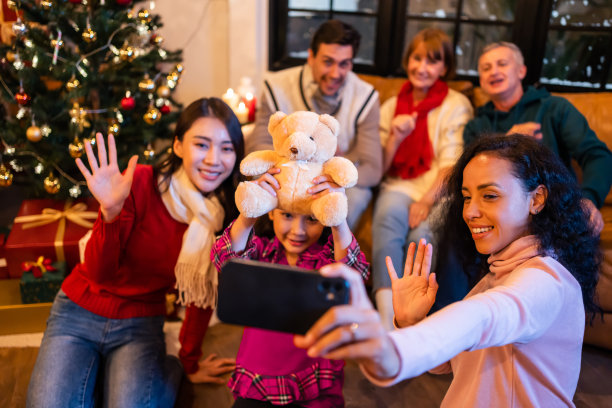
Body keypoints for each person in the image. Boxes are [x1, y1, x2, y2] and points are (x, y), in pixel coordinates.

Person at [295, 134, 601, 407]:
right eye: (467, 196)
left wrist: (389, 348)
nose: (470, 211)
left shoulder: (546, 279)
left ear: (537, 199)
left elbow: (486, 316)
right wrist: (411, 321)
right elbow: (454, 363)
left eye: (490, 195)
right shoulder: (499, 272)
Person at [27, 98, 242, 407]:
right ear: (178, 146)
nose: (213, 159)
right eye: (202, 144)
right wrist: (111, 213)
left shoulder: (221, 216)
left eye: (226, 148)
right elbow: (101, 273)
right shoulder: (139, 183)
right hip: (79, 311)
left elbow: (201, 293)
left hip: (140, 324)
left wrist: (188, 360)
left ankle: (155, 370)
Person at [210, 168, 369, 407]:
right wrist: (249, 212)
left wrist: (338, 217)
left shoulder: (325, 262)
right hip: (258, 377)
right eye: (287, 215)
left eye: (311, 219)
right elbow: (226, 258)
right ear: (271, 212)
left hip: (312, 379)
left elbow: (355, 274)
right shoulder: (262, 253)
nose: (298, 231)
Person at [372, 28, 473, 330]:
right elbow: (379, 169)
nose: (422, 67)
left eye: (433, 61)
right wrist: (394, 138)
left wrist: (427, 200)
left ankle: (411, 320)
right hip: (399, 184)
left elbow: (452, 165)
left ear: (444, 68)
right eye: (417, 58)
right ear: (408, 61)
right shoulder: (391, 106)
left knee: (421, 239)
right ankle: (387, 325)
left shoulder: (456, 105)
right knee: (388, 220)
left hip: (439, 189)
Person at [463, 41, 612, 235]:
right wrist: (510, 141)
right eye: (486, 68)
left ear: (521, 71)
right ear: (481, 79)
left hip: (552, 211)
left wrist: (589, 198)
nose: (494, 71)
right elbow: (469, 176)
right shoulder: (475, 126)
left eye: (502, 64)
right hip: (493, 215)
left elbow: (597, 155)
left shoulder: (555, 108)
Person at [246, 19, 382, 229]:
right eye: (328, 62)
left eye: (344, 63)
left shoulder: (366, 97)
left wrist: (334, 179)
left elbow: (372, 168)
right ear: (311, 57)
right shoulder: (277, 88)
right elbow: (258, 145)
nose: (336, 73)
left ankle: (328, 260)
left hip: (339, 179)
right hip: (286, 173)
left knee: (344, 206)